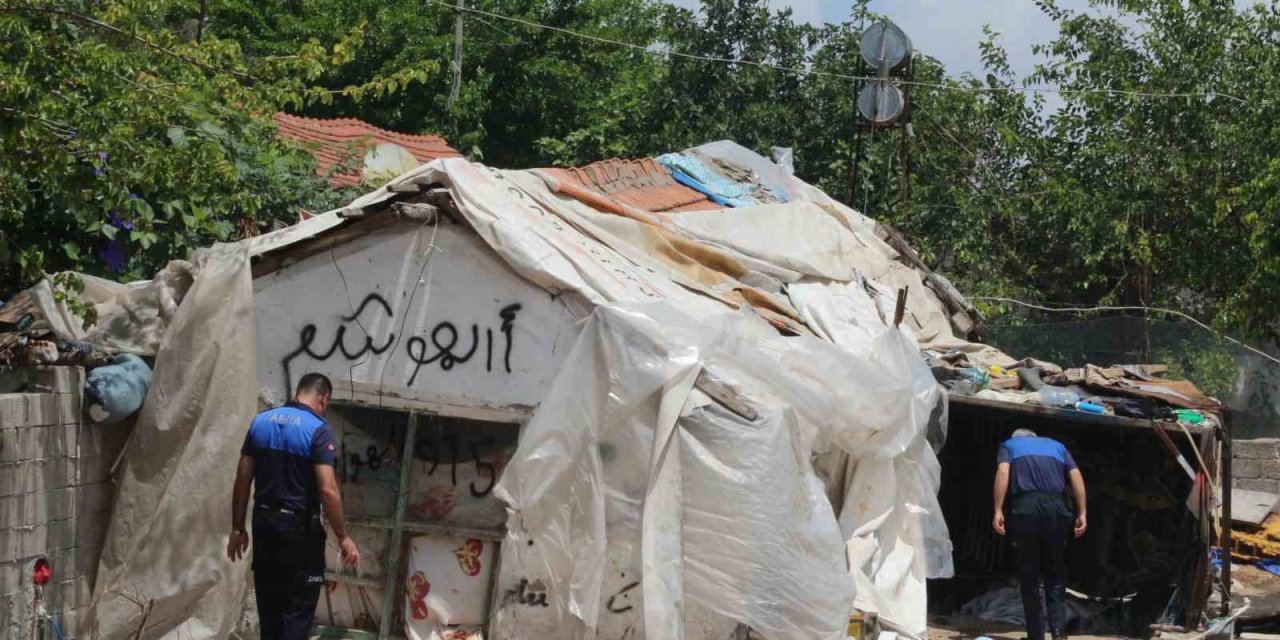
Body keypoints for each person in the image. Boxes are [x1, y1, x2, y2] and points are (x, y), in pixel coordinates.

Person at [228, 373, 360, 640]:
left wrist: (238, 527)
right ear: (324, 399)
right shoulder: (318, 430)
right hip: (299, 532)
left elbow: (242, 477)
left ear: (298, 392)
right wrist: (343, 536)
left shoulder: (261, 421)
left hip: (264, 524)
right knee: (297, 611)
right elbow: (328, 489)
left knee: (270, 611)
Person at [992, 428, 1087, 640]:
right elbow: (1075, 475)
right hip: (1057, 507)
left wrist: (998, 509)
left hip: (1026, 507)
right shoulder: (1057, 446)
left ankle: (1035, 636)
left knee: (1029, 573)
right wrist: (1082, 512)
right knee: (1055, 572)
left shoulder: (1009, 445)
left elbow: (1003, 472)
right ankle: (1059, 633)